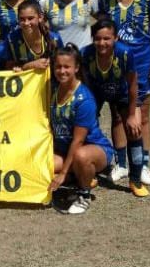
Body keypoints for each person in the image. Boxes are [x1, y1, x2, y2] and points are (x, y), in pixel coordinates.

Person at [98, 0, 150, 185]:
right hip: (115, 67)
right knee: (117, 115)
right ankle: (121, 164)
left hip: (143, 65)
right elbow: (101, 31)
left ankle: (144, 164)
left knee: (142, 115)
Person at [82, 19, 148, 197]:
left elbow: (133, 84)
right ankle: (87, 174)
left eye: (107, 39)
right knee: (84, 128)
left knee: (134, 129)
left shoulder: (125, 54)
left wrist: (133, 114)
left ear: (116, 38)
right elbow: (81, 82)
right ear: (92, 38)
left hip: (121, 93)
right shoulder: (86, 54)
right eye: (97, 38)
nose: (102, 43)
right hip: (95, 92)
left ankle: (135, 180)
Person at [49, 44, 114, 214]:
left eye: (66, 67)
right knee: (41, 164)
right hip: (64, 152)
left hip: (94, 149)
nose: (62, 71)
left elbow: (78, 141)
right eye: (58, 66)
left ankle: (83, 193)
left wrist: (62, 173)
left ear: (76, 68)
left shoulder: (83, 99)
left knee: (81, 155)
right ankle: (77, 177)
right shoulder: (54, 90)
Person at [6, 0, 63, 72]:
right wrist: (28, 66)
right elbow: (8, 68)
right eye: (22, 19)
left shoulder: (55, 39)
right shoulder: (11, 40)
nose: (26, 23)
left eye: (30, 18)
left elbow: (63, 64)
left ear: (40, 17)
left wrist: (51, 63)